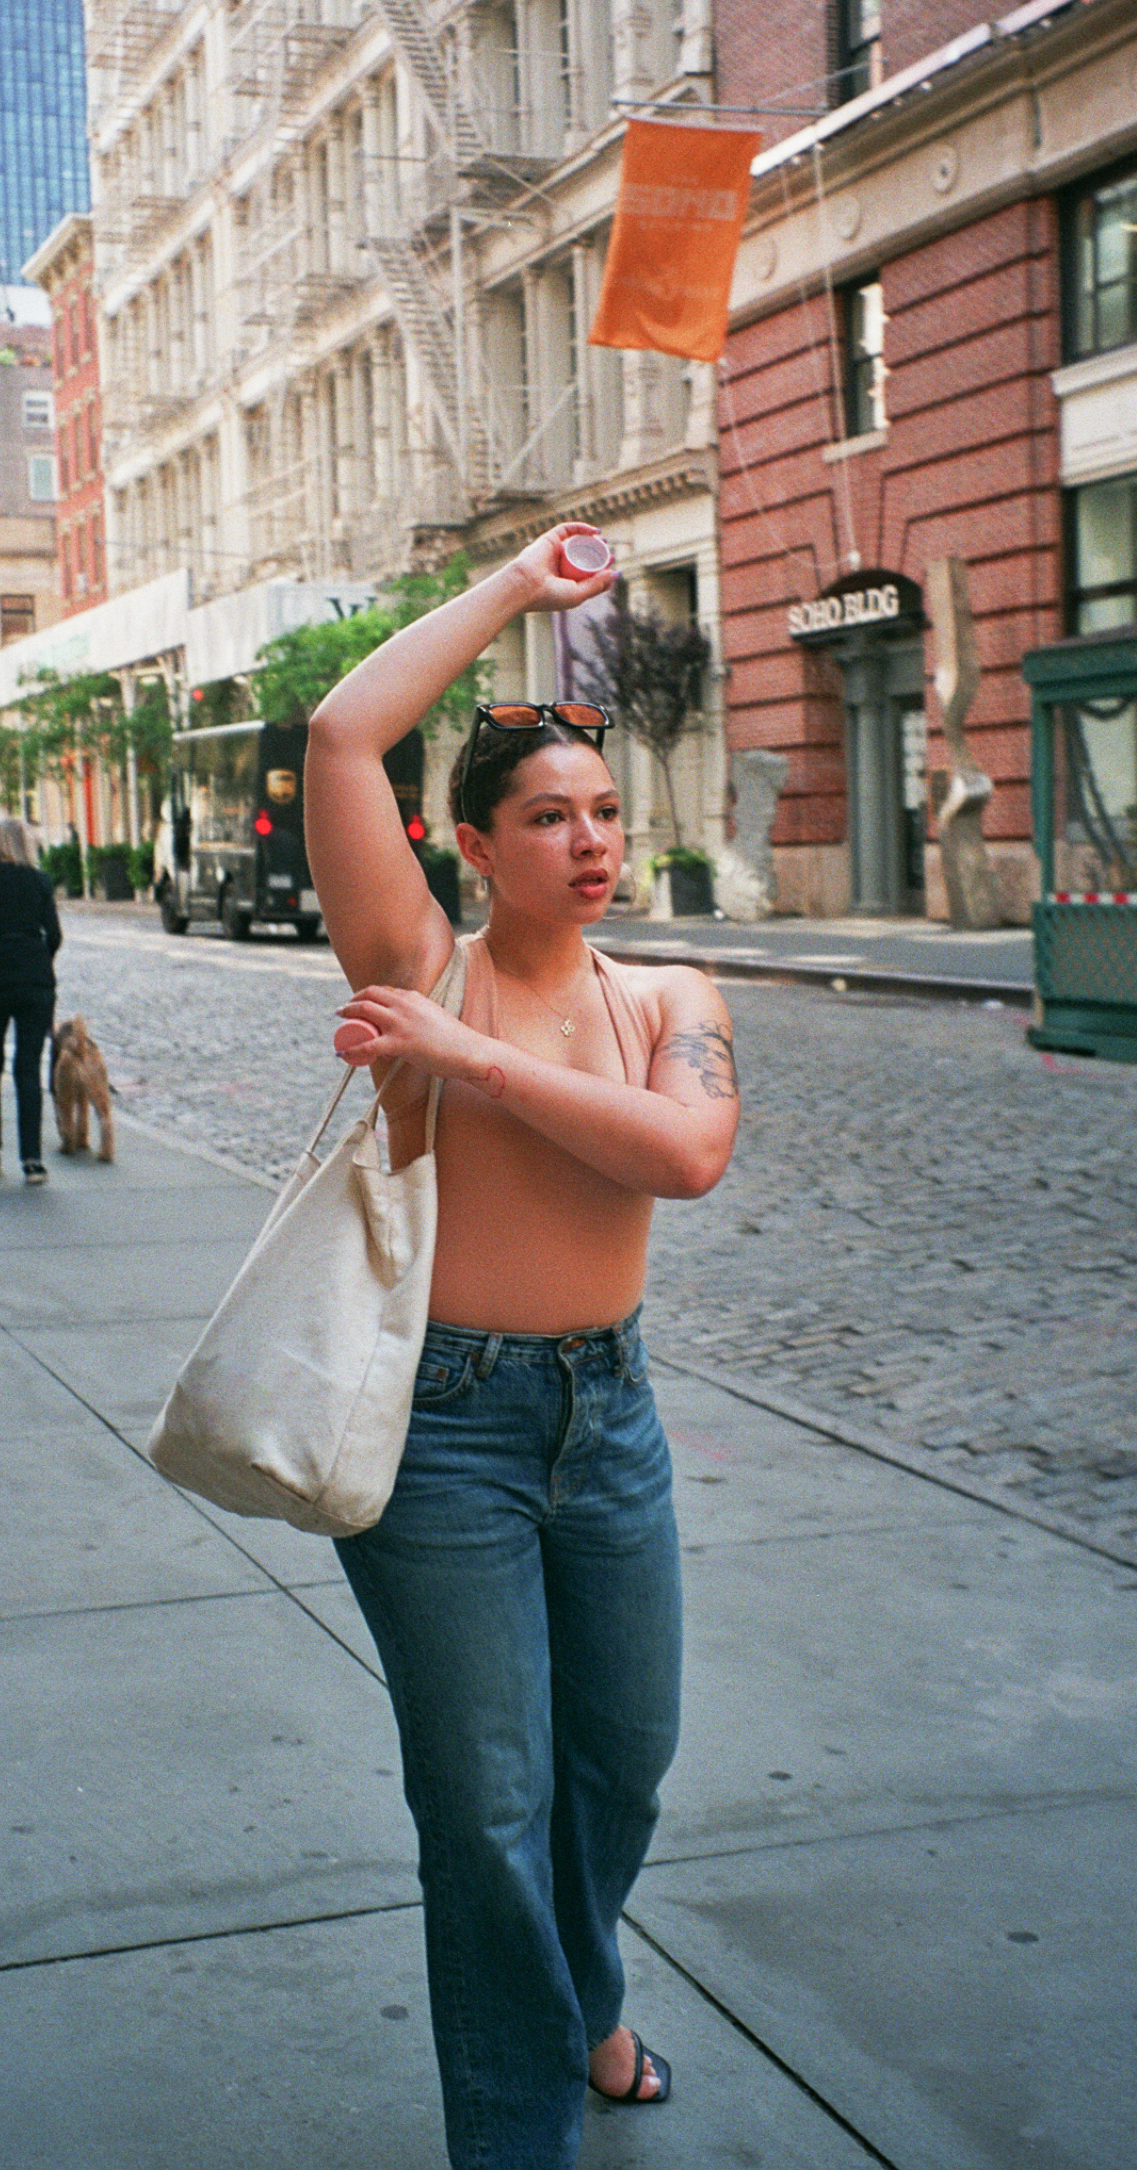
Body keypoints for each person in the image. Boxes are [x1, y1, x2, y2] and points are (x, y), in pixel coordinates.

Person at [304, 523, 740, 2170]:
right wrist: (515, 591)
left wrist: (468, 1064)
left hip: (610, 1417)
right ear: (476, 846)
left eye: (606, 810)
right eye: (549, 816)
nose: (591, 840)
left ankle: (585, 1997)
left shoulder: (672, 994)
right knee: (488, 1806)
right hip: (445, 1431)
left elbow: (684, 1154)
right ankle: (519, 2129)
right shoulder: (419, 965)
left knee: (622, 1764)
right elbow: (344, 736)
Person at [0, 816, 61, 1185]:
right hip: (36, 983)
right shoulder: (40, 880)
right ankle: (33, 1160)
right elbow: (54, 934)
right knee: (28, 1069)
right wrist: (40, 963)